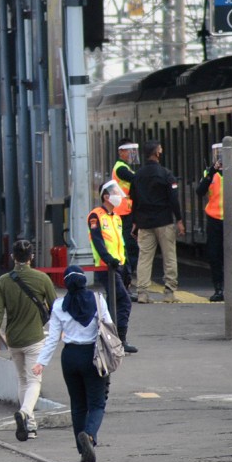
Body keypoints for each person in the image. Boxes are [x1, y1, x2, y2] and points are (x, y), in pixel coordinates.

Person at [31, 266, 111, 462]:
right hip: (93, 356)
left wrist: (41, 362)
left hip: (70, 357)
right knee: (97, 403)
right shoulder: (98, 300)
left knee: (77, 405)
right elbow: (109, 326)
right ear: (84, 281)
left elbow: (52, 338)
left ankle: (81, 448)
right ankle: (90, 437)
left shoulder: (59, 305)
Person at [0, 239, 57, 441]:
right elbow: (55, 308)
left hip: (14, 340)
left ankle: (30, 426)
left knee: (23, 381)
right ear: (32, 257)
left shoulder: (3, 281)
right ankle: (25, 412)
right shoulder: (42, 279)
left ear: (12, 257)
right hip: (34, 339)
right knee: (34, 381)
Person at [131, 140, 185, 304]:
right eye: (160, 149)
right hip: (164, 221)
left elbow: (134, 199)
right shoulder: (166, 174)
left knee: (144, 258)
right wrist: (180, 220)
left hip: (144, 223)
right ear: (156, 154)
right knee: (169, 257)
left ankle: (142, 293)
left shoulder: (138, 175)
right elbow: (173, 199)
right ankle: (169, 292)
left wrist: (135, 222)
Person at [196, 145, 232, 303]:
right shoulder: (209, 173)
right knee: (214, 256)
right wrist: (211, 173)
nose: (221, 158)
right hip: (214, 218)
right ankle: (219, 289)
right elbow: (200, 191)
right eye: (218, 155)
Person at [89, 180, 136, 353]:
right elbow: (97, 241)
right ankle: (119, 340)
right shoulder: (96, 215)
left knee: (112, 304)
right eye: (115, 193)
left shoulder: (116, 217)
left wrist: (128, 268)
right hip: (106, 267)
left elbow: (121, 244)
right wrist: (108, 259)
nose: (118, 196)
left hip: (119, 266)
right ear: (106, 196)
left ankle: (108, 339)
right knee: (123, 300)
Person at [112, 142, 140, 283]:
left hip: (126, 210)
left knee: (130, 243)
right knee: (129, 244)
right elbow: (136, 179)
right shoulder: (121, 168)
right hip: (123, 211)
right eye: (129, 151)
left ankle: (127, 274)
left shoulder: (124, 167)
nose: (132, 155)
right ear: (121, 151)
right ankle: (126, 274)